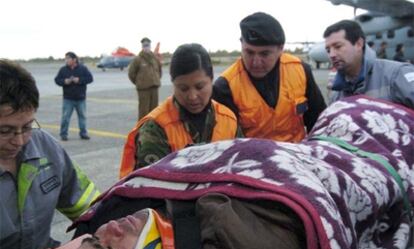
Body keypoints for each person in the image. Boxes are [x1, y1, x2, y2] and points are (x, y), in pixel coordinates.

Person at [46, 94, 414, 249]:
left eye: (96, 237)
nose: (109, 228)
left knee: (341, 115)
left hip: (328, 137)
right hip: (370, 156)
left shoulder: (144, 202)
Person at [0, 59, 100, 249]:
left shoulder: (45, 146)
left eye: (27, 127)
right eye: (5, 131)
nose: (19, 141)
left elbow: (87, 205)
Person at [119, 43, 243, 177]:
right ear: (173, 84)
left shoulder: (228, 119)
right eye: (183, 88)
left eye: (200, 87)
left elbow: (241, 168)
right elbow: (150, 188)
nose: (192, 96)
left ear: (211, 80)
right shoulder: (156, 128)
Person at [213, 12, 326, 142]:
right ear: (241, 44)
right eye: (249, 52)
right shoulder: (225, 86)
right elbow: (227, 142)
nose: (256, 62)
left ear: (280, 49)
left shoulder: (300, 70)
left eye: (264, 54)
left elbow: (319, 122)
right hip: (252, 158)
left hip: (297, 155)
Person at [323, 20, 414, 108]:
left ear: (359, 44)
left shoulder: (397, 75)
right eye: (328, 50)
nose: (332, 55)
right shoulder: (336, 96)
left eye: (338, 46)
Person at [54, 52, 93, 141]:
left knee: (82, 117)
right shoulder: (63, 70)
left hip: (80, 98)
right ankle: (63, 134)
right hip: (68, 98)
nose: (66, 60)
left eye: (68, 58)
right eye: (66, 59)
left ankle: (83, 133)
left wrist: (79, 80)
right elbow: (57, 80)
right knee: (65, 117)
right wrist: (64, 81)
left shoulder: (83, 69)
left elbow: (90, 78)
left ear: (74, 59)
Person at [128, 37, 162, 120]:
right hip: (143, 89)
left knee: (154, 111)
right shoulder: (138, 59)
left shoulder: (155, 59)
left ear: (150, 46)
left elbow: (159, 71)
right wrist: (140, 82)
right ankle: (142, 129)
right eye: (145, 45)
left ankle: (153, 129)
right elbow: (131, 74)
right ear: (142, 46)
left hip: (154, 87)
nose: (146, 47)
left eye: (148, 45)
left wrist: (156, 79)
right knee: (144, 111)